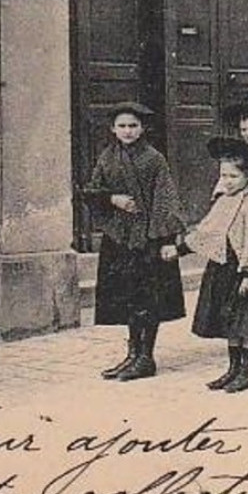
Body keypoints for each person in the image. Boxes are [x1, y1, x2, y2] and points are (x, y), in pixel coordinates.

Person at [81, 102, 186, 382]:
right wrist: (111, 198)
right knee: (128, 297)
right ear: (113, 129)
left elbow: (166, 200)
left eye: (133, 126)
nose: (128, 131)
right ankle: (132, 353)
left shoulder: (153, 159)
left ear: (142, 128)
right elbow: (91, 190)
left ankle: (146, 357)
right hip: (120, 238)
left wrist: (165, 238)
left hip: (148, 238)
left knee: (147, 298)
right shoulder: (107, 157)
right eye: (122, 126)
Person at [168, 136, 248, 393]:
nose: (226, 182)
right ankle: (233, 368)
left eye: (232, 177)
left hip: (244, 268)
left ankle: (247, 372)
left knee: (246, 321)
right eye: (223, 176)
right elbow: (207, 231)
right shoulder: (224, 200)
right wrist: (180, 249)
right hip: (222, 267)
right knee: (229, 320)